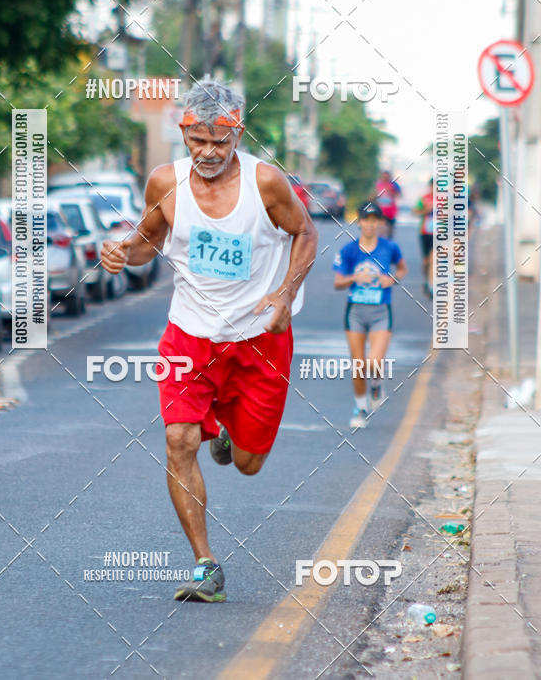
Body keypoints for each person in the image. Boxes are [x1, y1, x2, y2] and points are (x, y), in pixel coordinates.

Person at [101, 80, 318, 603]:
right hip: (189, 336)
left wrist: (285, 294)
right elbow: (147, 243)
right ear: (184, 133)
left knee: (247, 463)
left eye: (220, 141)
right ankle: (205, 564)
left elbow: (306, 233)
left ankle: (224, 433)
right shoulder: (165, 182)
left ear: (238, 133)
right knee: (178, 441)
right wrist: (121, 252)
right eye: (197, 140)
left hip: (259, 340)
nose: (208, 152)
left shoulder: (266, 184)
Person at [333, 202, 407, 428]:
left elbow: (402, 269)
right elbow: (338, 282)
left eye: (375, 221)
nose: (370, 225)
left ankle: (376, 383)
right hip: (355, 312)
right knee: (358, 364)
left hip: (380, 311)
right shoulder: (349, 250)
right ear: (360, 222)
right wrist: (354, 278)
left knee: (374, 361)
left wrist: (391, 279)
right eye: (366, 220)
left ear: (380, 223)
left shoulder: (389, 248)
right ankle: (360, 407)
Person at [414, 179, 434, 298]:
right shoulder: (424, 198)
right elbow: (415, 211)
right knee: (426, 261)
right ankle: (427, 281)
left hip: (438, 234)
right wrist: (425, 210)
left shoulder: (444, 200)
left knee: (434, 259)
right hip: (425, 232)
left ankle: (432, 286)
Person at [375, 170, 401, 238]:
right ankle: (380, 241)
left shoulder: (394, 184)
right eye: (383, 176)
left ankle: (388, 241)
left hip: (391, 212)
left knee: (389, 232)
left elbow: (399, 194)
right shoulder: (378, 184)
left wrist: (391, 193)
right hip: (380, 211)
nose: (385, 178)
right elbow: (374, 195)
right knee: (381, 231)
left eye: (386, 176)